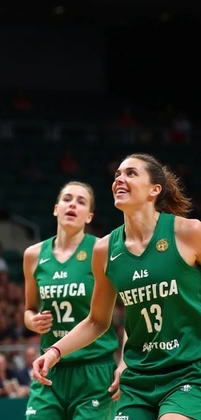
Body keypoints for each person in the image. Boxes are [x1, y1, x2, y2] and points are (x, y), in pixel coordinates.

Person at [33, 153, 201, 420]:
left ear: (154, 190)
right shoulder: (104, 249)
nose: (120, 179)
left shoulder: (189, 232)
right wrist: (54, 351)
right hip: (137, 379)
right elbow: (96, 321)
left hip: (189, 371)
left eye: (131, 173)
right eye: (117, 175)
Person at [23, 181, 119, 419]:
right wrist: (33, 322)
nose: (73, 204)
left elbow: (131, 309)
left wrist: (125, 362)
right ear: (56, 209)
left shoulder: (101, 249)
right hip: (49, 368)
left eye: (81, 201)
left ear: (89, 216)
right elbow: (29, 310)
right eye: (67, 199)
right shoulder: (33, 255)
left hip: (93, 369)